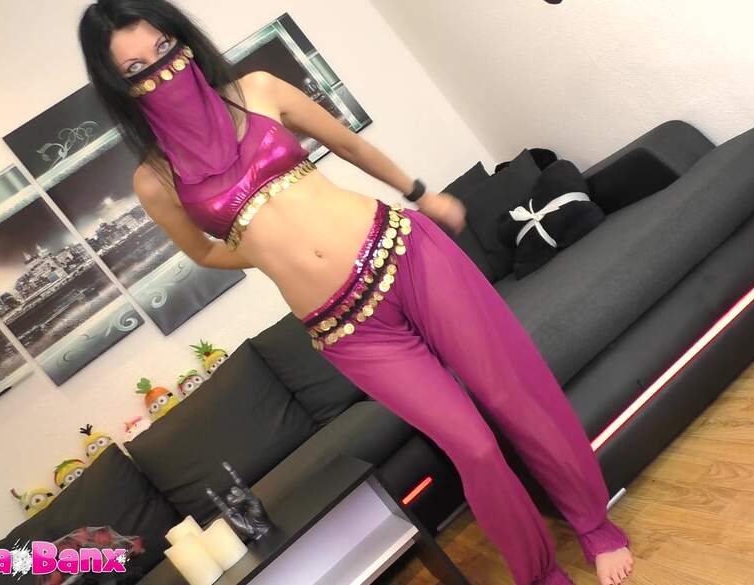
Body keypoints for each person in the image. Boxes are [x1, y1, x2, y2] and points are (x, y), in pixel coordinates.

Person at [78, 1, 634, 584]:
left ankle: (594, 527)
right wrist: (267, 250)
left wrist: (421, 193)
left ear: (183, 41)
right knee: (473, 447)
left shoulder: (257, 90)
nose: (159, 70)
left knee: (511, 393)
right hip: (347, 330)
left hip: (405, 255)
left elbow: (350, 146)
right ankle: (540, 575)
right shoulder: (154, 180)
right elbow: (204, 251)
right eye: (135, 68)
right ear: (118, 86)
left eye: (163, 48)